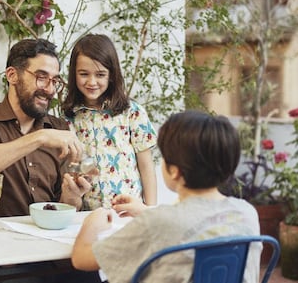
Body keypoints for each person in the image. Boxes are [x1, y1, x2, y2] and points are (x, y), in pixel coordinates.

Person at [71, 110, 262, 283]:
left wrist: (91, 225)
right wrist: (147, 212)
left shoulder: (157, 223)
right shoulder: (247, 213)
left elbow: (81, 260)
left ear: (174, 171)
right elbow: (197, 223)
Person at [0, 38, 91, 219]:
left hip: (45, 240)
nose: (50, 90)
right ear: (12, 75)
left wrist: (72, 198)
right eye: (41, 77)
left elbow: (62, 209)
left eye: (54, 81)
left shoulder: (58, 128)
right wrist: (39, 138)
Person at [62, 33, 158, 210]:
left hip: (128, 211)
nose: (92, 82)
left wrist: (149, 211)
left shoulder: (132, 112)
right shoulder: (69, 118)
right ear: (74, 74)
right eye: (84, 74)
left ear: (111, 75)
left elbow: (146, 166)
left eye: (100, 74)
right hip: (88, 214)